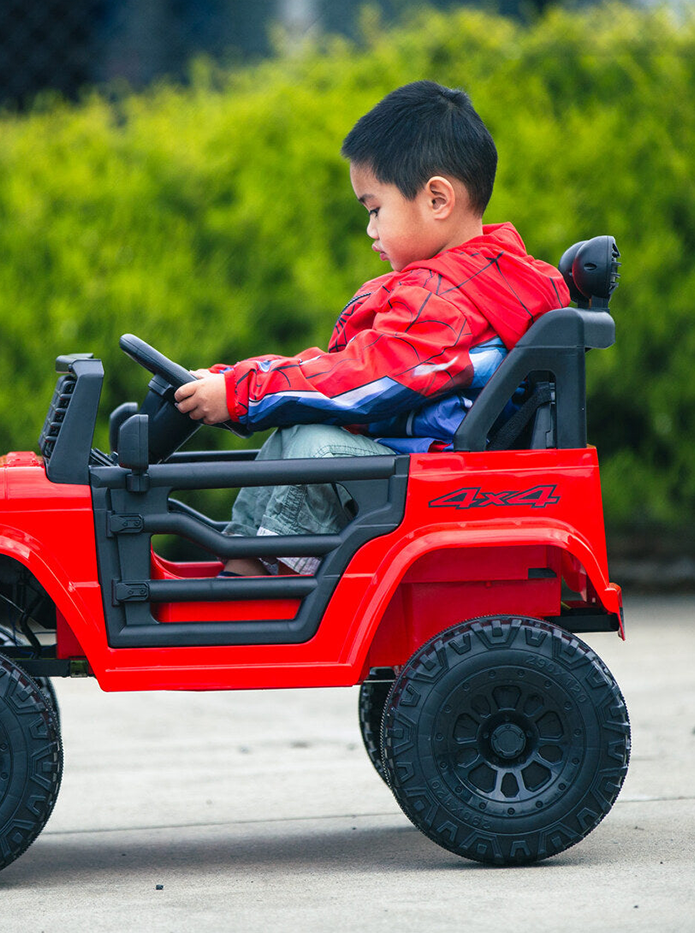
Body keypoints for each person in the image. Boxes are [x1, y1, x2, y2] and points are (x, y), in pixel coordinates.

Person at [174, 80, 570, 576]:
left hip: (441, 481)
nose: (370, 230)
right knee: (291, 436)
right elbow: (351, 368)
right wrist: (237, 382)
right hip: (430, 471)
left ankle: (268, 590)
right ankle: (242, 567)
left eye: (375, 209)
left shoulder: (447, 299)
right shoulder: (473, 284)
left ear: (438, 199)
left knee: (310, 448)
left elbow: (370, 378)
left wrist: (244, 392)